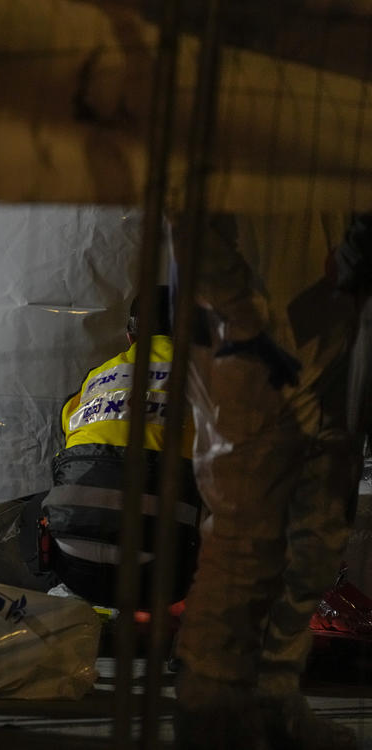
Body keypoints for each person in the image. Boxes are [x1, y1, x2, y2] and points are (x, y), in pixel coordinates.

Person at [174, 212, 372, 750]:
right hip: (248, 317)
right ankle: (214, 707)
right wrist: (236, 310)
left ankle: (272, 698)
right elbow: (183, 196)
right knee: (245, 524)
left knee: (322, 523)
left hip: (332, 315)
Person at [41, 285, 202, 608]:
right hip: (161, 577)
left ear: (130, 336)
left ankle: (75, 609)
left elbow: (69, 431)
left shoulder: (97, 376)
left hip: (74, 565)